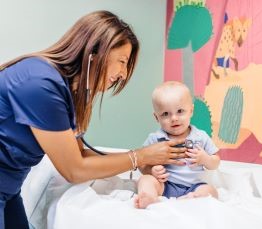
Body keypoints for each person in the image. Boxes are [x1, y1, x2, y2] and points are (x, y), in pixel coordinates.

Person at [0, 10, 187, 228]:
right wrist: (140, 157)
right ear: (94, 53)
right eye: (122, 61)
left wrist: (142, 160)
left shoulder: (65, 92)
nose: (124, 74)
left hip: (9, 190)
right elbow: (74, 170)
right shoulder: (40, 84)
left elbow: (80, 155)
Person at [134, 81, 220, 209]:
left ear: (191, 111)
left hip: (194, 185)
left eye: (180, 111)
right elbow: (142, 163)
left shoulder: (200, 136)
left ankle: (192, 198)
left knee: (211, 191)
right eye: (165, 114)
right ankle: (150, 197)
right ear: (157, 117)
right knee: (145, 180)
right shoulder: (155, 138)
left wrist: (205, 159)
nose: (174, 118)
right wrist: (150, 171)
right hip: (165, 185)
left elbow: (216, 161)